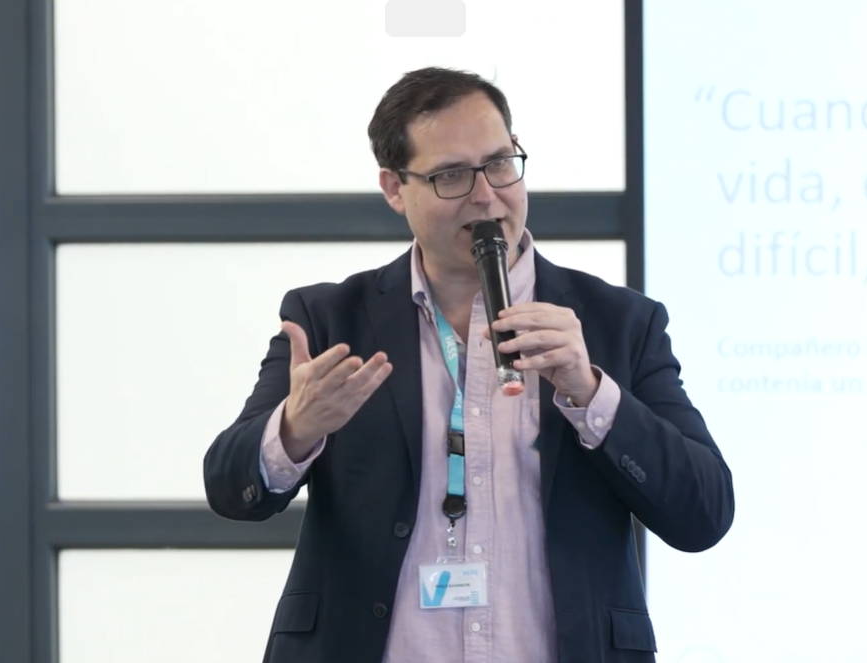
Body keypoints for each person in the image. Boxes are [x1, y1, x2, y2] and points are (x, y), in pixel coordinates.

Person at [203, 67, 735, 663]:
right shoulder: (330, 321)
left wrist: (591, 394)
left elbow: (704, 514)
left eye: (501, 163)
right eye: (451, 175)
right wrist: (296, 428)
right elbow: (230, 489)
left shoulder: (618, 323)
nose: (486, 195)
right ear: (394, 188)